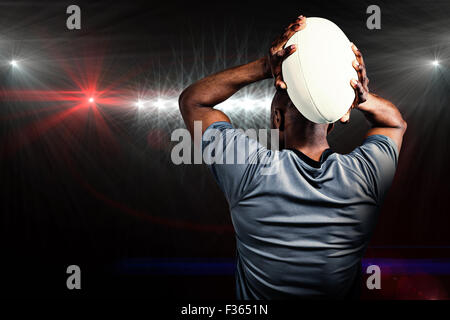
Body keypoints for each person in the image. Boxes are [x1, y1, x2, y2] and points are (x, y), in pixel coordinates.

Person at [178, 15, 407, 299]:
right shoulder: (366, 177)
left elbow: (194, 101)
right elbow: (394, 123)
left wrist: (266, 67)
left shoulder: (249, 171)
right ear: (333, 123)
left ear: (277, 119)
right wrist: (356, 94)